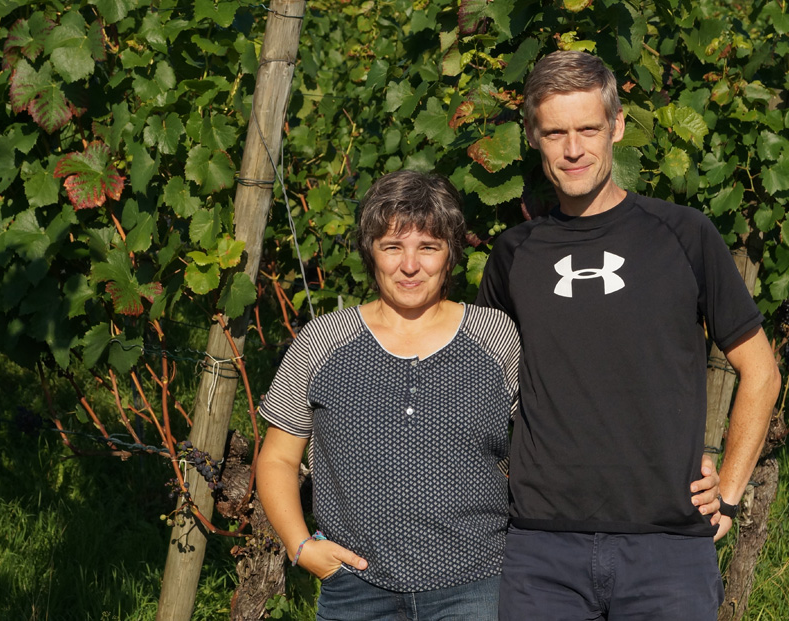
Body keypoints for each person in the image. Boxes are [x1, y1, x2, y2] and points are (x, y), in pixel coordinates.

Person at [256, 169, 723, 621]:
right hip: (356, 590)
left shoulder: (495, 337)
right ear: (370, 251)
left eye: (428, 247)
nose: (410, 265)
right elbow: (278, 458)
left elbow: (568, 417)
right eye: (392, 246)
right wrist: (302, 547)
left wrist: (675, 463)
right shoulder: (323, 341)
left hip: (474, 589)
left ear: (451, 254)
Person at [476, 50, 782, 620]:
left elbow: (760, 371)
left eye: (588, 129)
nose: (573, 150)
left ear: (616, 126)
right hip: (541, 550)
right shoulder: (513, 255)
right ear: (533, 138)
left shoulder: (684, 235)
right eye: (555, 133)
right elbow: (479, 389)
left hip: (668, 548)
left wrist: (731, 493)